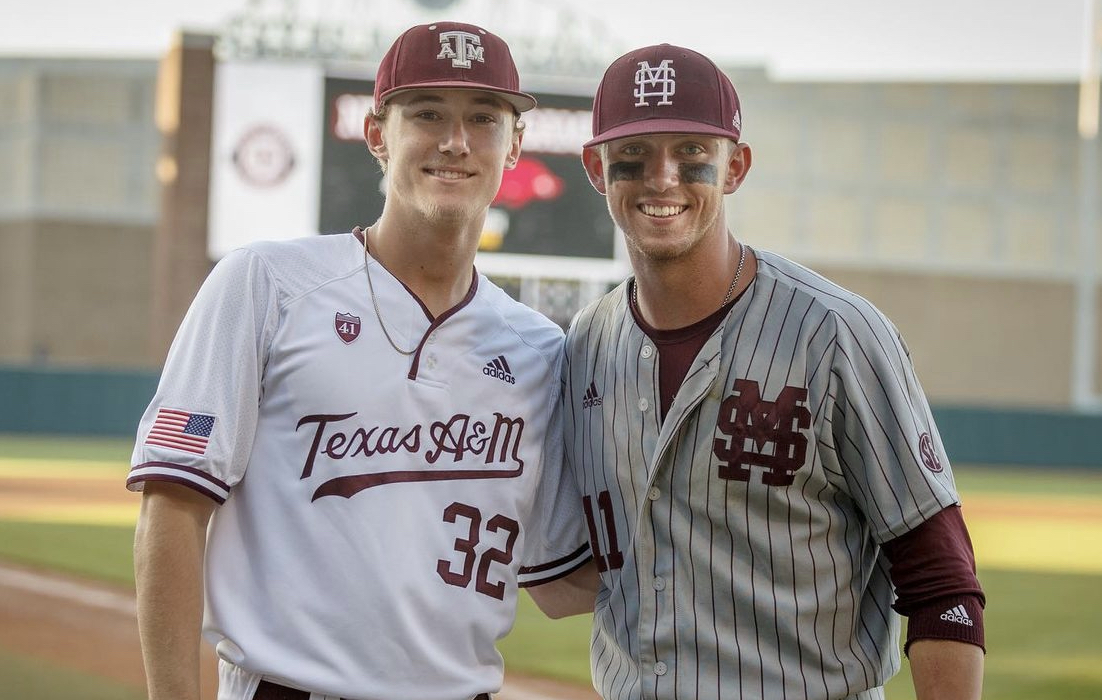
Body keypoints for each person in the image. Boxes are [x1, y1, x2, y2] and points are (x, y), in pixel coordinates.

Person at [128, 21, 592, 700]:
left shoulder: (540, 352)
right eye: (427, 113)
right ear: (378, 134)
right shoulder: (267, 285)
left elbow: (560, 579)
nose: (456, 141)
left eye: (483, 118)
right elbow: (172, 503)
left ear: (515, 143)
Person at [557, 43, 986, 700]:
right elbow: (578, 569)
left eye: (692, 153)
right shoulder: (587, 342)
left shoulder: (834, 332)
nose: (663, 177)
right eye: (634, 154)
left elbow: (943, 586)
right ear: (597, 168)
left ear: (736, 166)